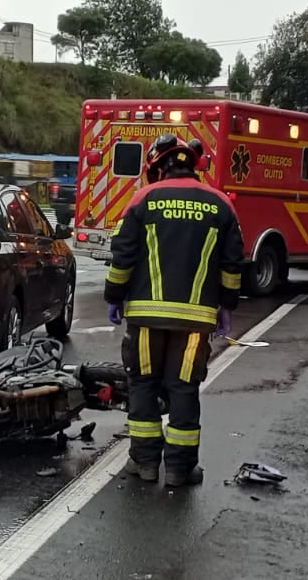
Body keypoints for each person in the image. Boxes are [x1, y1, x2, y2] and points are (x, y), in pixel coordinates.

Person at [104, 133, 244, 487]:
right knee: (183, 388)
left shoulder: (143, 200)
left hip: (146, 319)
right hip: (195, 322)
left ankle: (145, 464)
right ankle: (180, 470)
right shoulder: (221, 204)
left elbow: (123, 256)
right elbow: (232, 265)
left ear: (157, 167)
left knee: (143, 385)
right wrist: (227, 307)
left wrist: (113, 296)